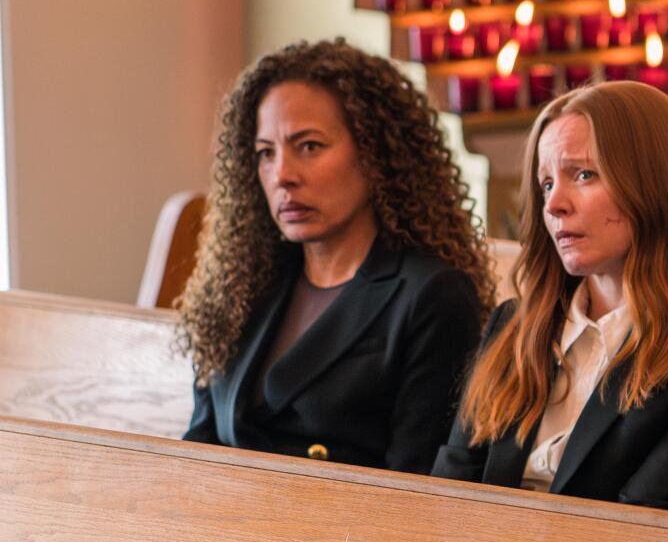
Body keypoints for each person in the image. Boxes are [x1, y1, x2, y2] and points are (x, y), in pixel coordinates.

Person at [434, 83, 668, 515]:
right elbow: (447, 498)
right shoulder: (514, 327)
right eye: (545, 184)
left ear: (656, 184)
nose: (555, 204)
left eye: (583, 174)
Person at [178, 40, 491, 473]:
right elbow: (199, 445)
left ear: (374, 154)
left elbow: (416, 488)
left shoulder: (431, 296)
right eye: (266, 153)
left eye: (308, 146)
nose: (283, 175)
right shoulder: (244, 282)